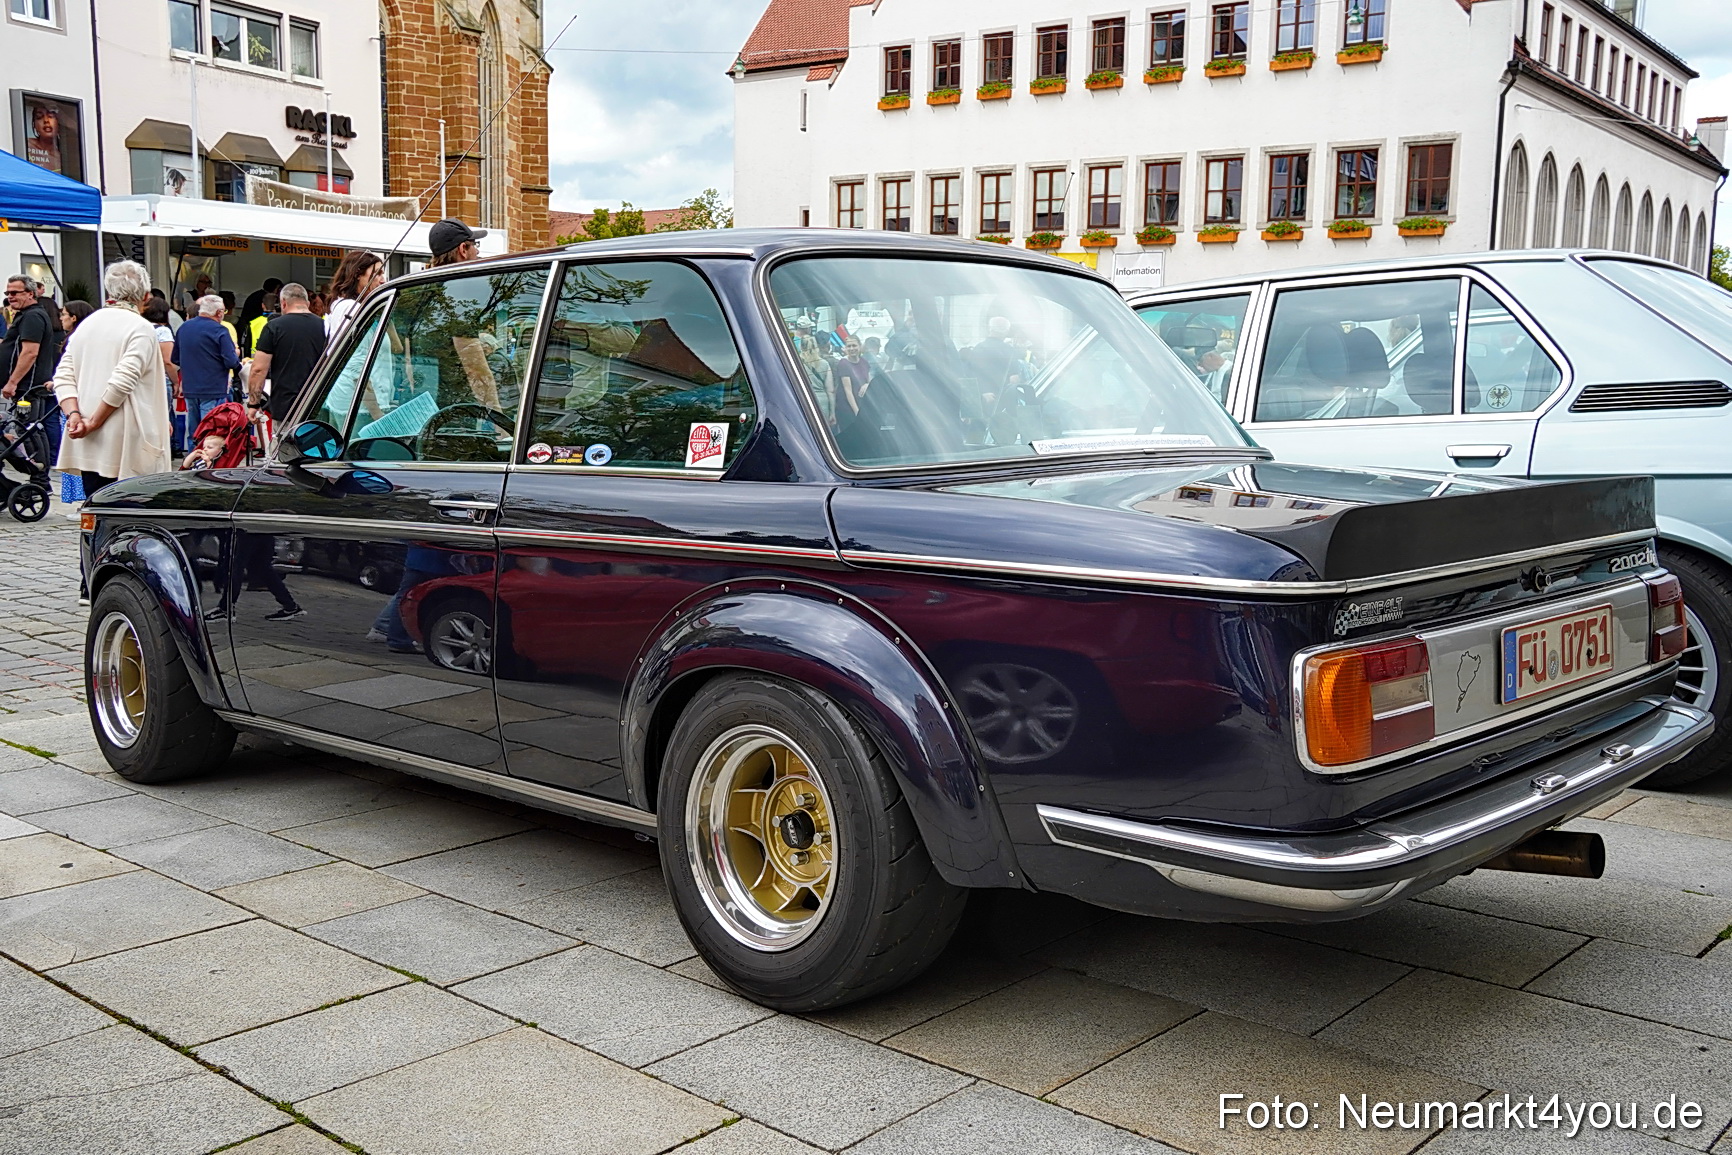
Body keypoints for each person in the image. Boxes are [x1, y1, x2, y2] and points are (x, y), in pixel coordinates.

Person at [53, 260, 170, 496]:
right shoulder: (141, 328)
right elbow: (122, 380)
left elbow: (63, 375)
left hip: (88, 438)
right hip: (126, 440)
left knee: (96, 510)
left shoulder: (87, 324)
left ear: (109, 291)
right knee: (128, 517)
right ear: (145, 295)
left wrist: (74, 414)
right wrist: (93, 420)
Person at [248, 283, 326, 424]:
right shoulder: (325, 326)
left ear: (283, 303)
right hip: (318, 403)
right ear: (307, 303)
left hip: (286, 407)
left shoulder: (274, 327)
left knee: (286, 446)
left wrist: (254, 404)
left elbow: (258, 369)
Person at [171, 295, 240, 432]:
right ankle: (207, 454)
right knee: (210, 432)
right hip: (213, 388)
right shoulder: (219, 330)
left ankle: (194, 453)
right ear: (219, 312)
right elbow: (231, 361)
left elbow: (175, 359)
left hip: (190, 388)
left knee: (194, 432)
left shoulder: (184, 328)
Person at [2, 275, 61, 403]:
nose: (10, 296)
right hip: (24, 388)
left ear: (30, 294)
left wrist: (12, 382)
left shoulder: (32, 316)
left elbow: (30, 352)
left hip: (27, 389)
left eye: (14, 293)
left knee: (27, 422)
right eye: (8, 293)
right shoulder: (27, 314)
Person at [141, 297, 181, 450]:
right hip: (160, 380)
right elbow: (168, 361)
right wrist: (176, 381)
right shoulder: (162, 331)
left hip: (142, 379)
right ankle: (165, 449)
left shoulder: (141, 328)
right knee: (163, 416)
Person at [325, 250, 385, 339]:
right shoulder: (350, 307)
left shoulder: (346, 305)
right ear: (357, 274)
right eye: (377, 273)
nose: (383, 280)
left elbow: (397, 347)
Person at [834, 336, 872, 420]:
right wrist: (857, 413)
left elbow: (869, 381)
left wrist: (867, 385)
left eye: (854, 345)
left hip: (862, 405)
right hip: (848, 408)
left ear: (859, 346)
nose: (851, 348)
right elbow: (848, 391)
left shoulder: (864, 362)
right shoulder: (844, 364)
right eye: (849, 346)